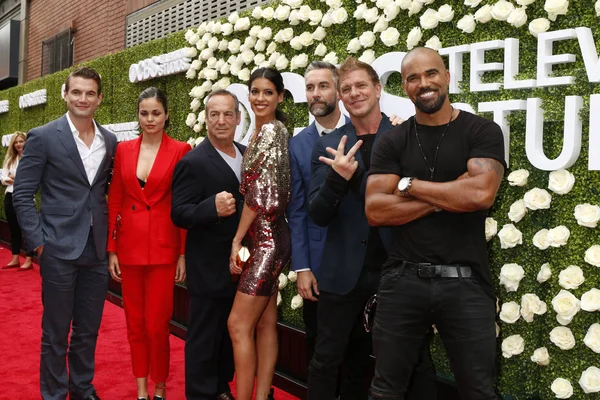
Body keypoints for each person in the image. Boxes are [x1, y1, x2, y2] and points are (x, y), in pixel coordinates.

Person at [365, 47, 506, 400]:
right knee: (385, 390)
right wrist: (446, 197)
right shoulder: (392, 141)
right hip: (402, 280)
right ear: (404, 85)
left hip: (466, 282)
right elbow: (376, 210)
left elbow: (480, 195)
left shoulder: (481, 131)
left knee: (479, 391)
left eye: (431, 74)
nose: (423, 83)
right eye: (413, 78)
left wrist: (409, 186)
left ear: (446, 76)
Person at [306, 57, 436, 400]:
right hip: (341, 274)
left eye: (361, 85)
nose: (354, 93)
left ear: (378, 89)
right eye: (346, 89)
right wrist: (336, 178)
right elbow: (317, 214)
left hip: (398, 269)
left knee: (415, 359)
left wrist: (358, 178)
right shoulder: (329, 145)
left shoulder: (405, 137)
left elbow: (411, 201)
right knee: (326, 360)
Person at [13, 66, 117, 400]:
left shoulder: (110, 140)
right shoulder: (43, 136)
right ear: (65, 94)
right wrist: (39, 244)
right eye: (76, 92)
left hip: (96, 249)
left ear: (99, 99)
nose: (83, 99)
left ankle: (82, 389)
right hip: (57, 248)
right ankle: (55, 395)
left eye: (90, 93)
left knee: (88, 330)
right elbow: (22, 194)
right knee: (56, 332)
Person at [107, 87, 190, 400]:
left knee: (158, 325)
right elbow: (115, 198)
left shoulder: (181, 149)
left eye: (156, 112)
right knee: (135, 324)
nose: (150, 119)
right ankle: (141, 387)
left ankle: (160, 384)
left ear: (167, 115)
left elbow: (183, 204)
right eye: (144, 113)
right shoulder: (124, 150)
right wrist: (111, 248)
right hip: (128, 248)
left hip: (164, 248)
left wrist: (183, 253)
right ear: (138, 115)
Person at [171, 89, 244, 400]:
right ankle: (201, 393)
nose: (221, 120)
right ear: (205, 118)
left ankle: (220, 387)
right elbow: (179, 212)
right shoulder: (194, 161)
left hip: (242, 261)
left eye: (228, 114)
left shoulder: (245, 152)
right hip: (209, 267)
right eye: (214, 114)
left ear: (239, 118)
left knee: (230, 333)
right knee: (204, 335)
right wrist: (210, 208)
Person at [228, 67, 291, 400]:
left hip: (265, 242)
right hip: (269, 240)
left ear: (280, 96)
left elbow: (258, 197)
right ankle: (263, 394)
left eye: (268, 92)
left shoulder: (270, 132)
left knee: (238, 326)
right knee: (264, 324)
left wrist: (237, 240)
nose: (260, 98)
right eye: (255, 91)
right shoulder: (264, 131)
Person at [1, 132, 34, 271]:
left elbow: (32, 180)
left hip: (26, 197)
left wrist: (13, 178)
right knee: (14, 229)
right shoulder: (10, 160)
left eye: (21, 141)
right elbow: (3, 179)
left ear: (26, 142)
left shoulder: (32, 159)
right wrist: (17, 179)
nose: (19, 144)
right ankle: (15, 259)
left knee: (27, 230)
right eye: (16, 142)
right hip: (10, 197)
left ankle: (29, 260)